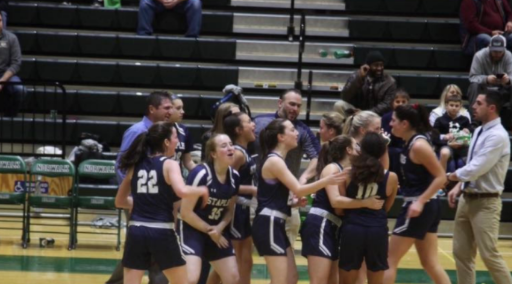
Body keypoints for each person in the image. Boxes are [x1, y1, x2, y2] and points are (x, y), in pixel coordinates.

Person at [115, 122, 209, 284]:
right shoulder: (170, 164)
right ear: (166, 142)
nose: (177, 141)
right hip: (161, 231)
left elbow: (120, 201)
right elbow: (182, 191)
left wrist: (144, 203)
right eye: (175, 137)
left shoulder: (136, 164)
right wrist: (202, 190)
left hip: (136, 230)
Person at [252, 118, 343, 284]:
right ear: (280, 137)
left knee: (291, 278)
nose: (297, 133)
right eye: (292, 130)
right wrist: (328, 180)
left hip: (276, 221)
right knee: (280, 280)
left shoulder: (279, 160)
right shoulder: (275, 161)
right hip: (269, 222)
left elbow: (270, 195)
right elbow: (299, 189)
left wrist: (292, 204)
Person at [107, 91, 174, 284]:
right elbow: (121, 165)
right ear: (152, 109)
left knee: (138, 251)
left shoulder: (163, 132)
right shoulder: (137, 131)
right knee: (150, 252)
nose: (170, 111)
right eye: (166, 107)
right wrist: (133, 196)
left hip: (155, 200)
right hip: (141, 200)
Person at [447, 88, 512, 284]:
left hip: (486, 202)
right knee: (461, 253)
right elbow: (471, 163)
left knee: (489, 255)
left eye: (479, 104)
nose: (473, 107)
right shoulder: (478, 130)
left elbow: (478, 167)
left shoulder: (498, 136)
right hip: (467, 199)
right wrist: (459, 186)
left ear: (492, 108)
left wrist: (451, 177)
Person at [300, 134, 385, 284]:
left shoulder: (350, 171)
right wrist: (365, 202)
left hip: (334, 227)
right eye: (356, 146)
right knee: (319, 281)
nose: (360, 149)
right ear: (348, 150)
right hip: (321, 223)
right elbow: (336, 201)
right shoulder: (332, 168)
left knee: (333, 280)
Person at [383, 104, 450, 284]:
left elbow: (441, 177)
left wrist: (420, 201)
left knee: (389, 260)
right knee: (430, 262)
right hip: (428, 206)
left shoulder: (419, 145)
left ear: (404, 124)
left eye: (394, 121)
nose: (390, 124)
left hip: (420, 206)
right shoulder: (410, 142)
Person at [253, 89, 321, 250]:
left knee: (285, 257)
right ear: (280, 103)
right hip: (260, 194)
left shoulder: (302, 130)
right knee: (249, 254)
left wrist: (302, 179)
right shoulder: (259, 123)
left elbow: (317, 158)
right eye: (292, 104)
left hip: (288, 193)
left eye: (299, 106)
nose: (295, 109)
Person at [178, 134, 241, 284]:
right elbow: (185, 213)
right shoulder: (200, 174)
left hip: (216, 231)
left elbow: (229, 210)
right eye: (224, 146)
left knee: (233, 278)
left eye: (231, 144)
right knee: (191, 279)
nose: (230, 148)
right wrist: (210, 230)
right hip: (192, 229)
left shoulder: (235, 177)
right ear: (213, 154)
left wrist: (219, 228)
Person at [338, 132, 398, 284]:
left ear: (361, 149)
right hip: (377, 230)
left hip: (352, 229)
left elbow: (340, 208)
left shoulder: (347, 173)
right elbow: (387, 207)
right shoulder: (391, 177)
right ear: (383, 152)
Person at [210, 112, 256, 284]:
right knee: (232, 260)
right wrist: (253, 189)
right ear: (238, 129)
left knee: (245, 259)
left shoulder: (244, 151)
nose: (253, 125)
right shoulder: (236, 153)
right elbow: (226, 182)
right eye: (249, 122)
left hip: (244, 208)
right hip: (235, 208)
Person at [467, 35, 512, 129]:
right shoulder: (479, 55)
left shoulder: (509, 56)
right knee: (473, 86)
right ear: (489, 47)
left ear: (504, 49)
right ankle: (474, 121)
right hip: (483, 89)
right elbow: (472, 77)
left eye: (499, 51)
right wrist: (486, 79)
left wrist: (508, 80)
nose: (496, 54)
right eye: (494, 51)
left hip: (502, 89)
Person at [340, 51, 397, 116]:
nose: (379, 68)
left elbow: (386, 105)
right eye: (376, 65)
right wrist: (359, 78)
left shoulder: (390, 81)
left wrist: (365, 113)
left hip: (377, 115)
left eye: (381, 65)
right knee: (339, 105)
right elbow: (345, 97)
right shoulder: (356, 76)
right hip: (357, 112)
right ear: (368, 66)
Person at [432, 94, 472, 172]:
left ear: (460, 107)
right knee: (445, 154)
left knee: (464, 161)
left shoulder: (465, 120)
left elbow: (471, 134)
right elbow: (434, 137)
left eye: (457, 106)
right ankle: (442, 179)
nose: (454, 108)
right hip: (446, 145)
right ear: (446, 106)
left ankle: (464, 183)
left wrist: (468, 130)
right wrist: (444, 137)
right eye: (451, 105)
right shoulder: (440, 120)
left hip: (462, 147)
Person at [381, 89, 409, 176]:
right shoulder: (386, 117)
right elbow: (386, 136)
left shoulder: (411, 116)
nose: (400, 104)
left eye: (403, 101)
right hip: (392, 146)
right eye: (397, 101)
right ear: (392, 103)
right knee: (396, 153)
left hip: (408, 145)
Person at [0, 12, 23, 117]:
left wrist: (2, 80)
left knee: (19, 90)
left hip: (6, 75)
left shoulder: (11, 38)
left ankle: (10, 118)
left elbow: (16, 63)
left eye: (0, 21)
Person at [137, 0, 202, 37]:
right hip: (158, 2)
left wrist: (176, 1)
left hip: (181, 3)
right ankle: (144, 35)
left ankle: (192, 37)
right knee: (145, 3)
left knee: (195, 3)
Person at [169, 94, 196, 171]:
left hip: (178, 178)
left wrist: (202, 172)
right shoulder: (156, 130)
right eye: (178, 108)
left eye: (182, 108)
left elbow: (188, 162)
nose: (183, 111)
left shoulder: (183, 130)